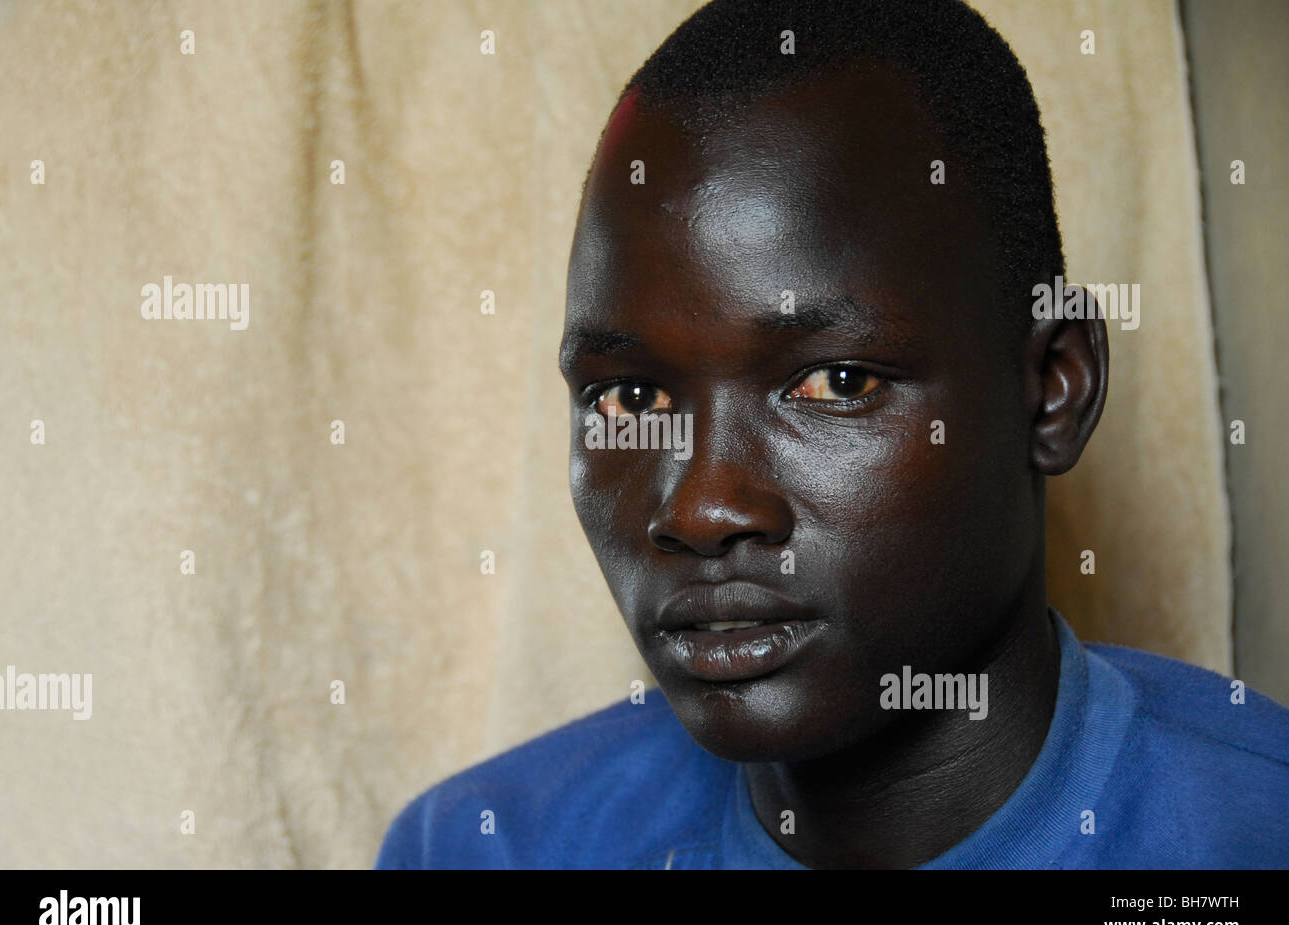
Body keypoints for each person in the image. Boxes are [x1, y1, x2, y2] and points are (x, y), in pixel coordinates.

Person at [377, 0, 1289, 869]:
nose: (702, 507)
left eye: (835, 383)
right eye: (629, 399)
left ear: (1054, 390)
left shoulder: (1255, 833)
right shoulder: (479, 849)